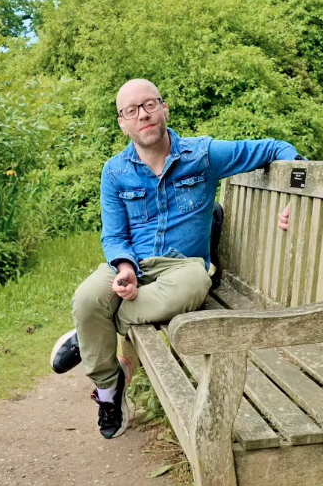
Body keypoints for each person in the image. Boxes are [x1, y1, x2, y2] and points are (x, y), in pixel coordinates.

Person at [51, 79, 300, 440]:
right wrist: (124, 268)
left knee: (194, 282)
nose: (143, 115)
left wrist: (293, 193)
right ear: (122, 122)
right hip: (133, 264)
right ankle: (110, 392)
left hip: (182, 268)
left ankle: (92, 328)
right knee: (87, 297)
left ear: (164, 108)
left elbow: (276, 147)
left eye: (150, 105)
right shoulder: (115, 172)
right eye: (131, 111)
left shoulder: (202, 155)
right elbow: (114, 235)